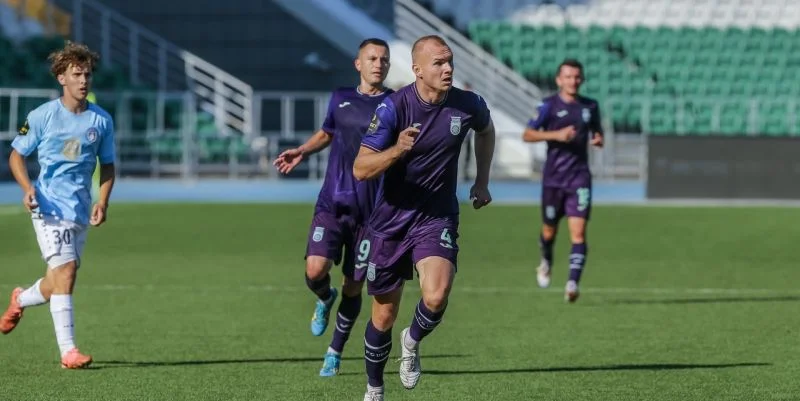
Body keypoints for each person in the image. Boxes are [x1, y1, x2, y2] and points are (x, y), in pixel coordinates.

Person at [352, 35, 495, 401]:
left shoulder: (468, 104)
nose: (448, 69)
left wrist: (482, 180)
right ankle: (374, 386)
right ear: (417, 70)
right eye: (438, 63)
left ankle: (412, 340)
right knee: (383, 316)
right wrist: (397, 150)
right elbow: (361, 168)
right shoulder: (393, 108)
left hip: (436, 217)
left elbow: (486, 129)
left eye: (450, 61)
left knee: (436, 295)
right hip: (390, 222)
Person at [272, 38, 392, 377]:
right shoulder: (340, 97)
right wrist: (302, 150)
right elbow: (327, 132)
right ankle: (325, 298)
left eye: (384, 59)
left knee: (354, 286)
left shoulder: (395, 103)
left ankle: (334, 352)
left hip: (371, 213)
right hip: (333, 202)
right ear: (358, 64)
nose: (378, 64)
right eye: (372, 58)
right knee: (315, 270)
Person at [0, 41, 116, 369]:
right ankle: (69, 352)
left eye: (87, 74)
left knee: (57, 282)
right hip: (48, 206)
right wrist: (27, 189)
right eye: (76, 74)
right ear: (61, 78)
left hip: (79, 208)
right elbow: (16, 155)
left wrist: (103, 201)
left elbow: (108, 164)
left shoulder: (101, 121)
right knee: (66, 272)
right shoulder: (42, 116)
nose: (84, 80)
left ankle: (20, 298)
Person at [521, 58, 604, 303]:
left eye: (577, 77)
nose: (573, 81)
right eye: (568, 76)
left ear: (582, 79)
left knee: (578, 233)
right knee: (549, 231)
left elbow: (597, 131)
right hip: (553, 179)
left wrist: (598, 138)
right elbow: (527, 134)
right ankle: (546, 260)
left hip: (579, 178)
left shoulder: (590, 106)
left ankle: (572, 283)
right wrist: (556, 135)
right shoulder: (548, 106)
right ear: (559, 80)